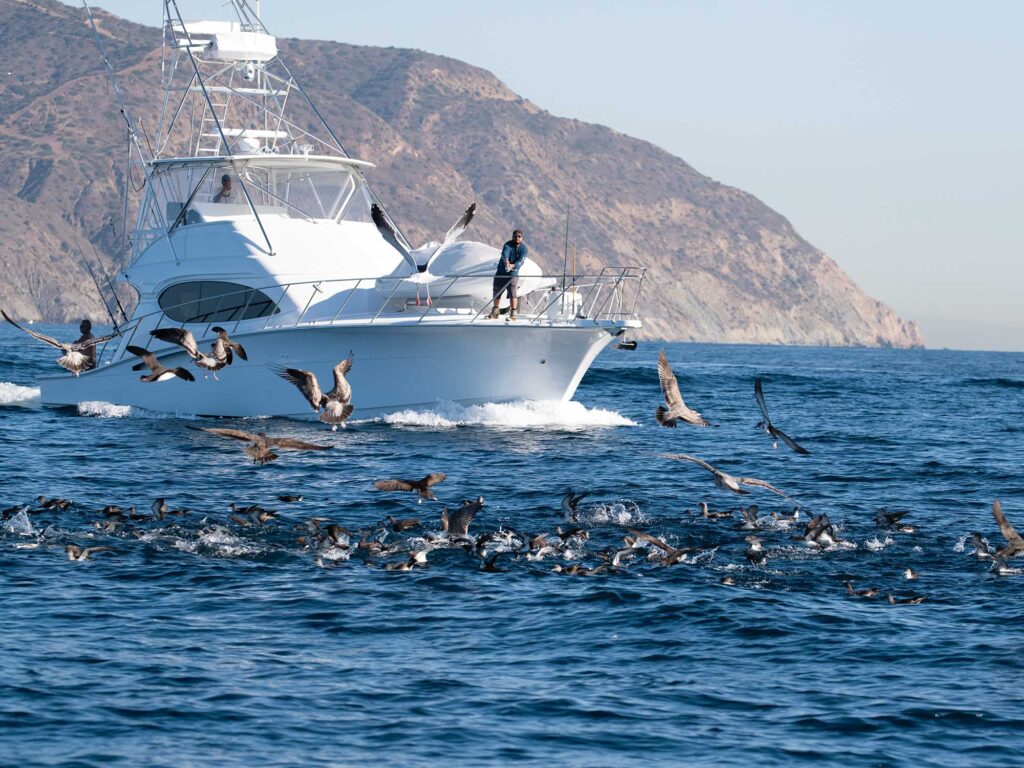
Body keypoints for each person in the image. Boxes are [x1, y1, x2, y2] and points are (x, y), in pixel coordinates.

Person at [487, 229, 527, 321]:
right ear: (512, 237)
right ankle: (495, 313)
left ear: (522, 238)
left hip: (513, 274)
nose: (517, 238)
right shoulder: (507, 245)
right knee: (497, 291)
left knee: (513, 293)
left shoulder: (524, 249)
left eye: (519, 236)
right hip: (501, 273)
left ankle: (513, 315)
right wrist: (506, 262)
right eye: (515, 236)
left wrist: (513, 265)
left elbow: (521, 261)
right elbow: (505, 254)